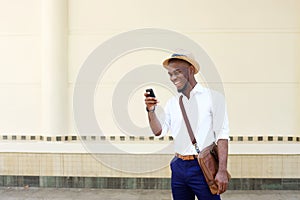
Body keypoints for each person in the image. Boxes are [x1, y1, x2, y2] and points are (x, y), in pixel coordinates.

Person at [144, 50, 230, 200]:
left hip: (202, 166)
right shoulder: (173, 103)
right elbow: (159, 131)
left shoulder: (213, 98)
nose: (173, 78)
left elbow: (222, 135)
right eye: (170, 74)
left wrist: (222, 170)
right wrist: (151, 111)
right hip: (178, 167)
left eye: (178, 72)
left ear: (190, 70)